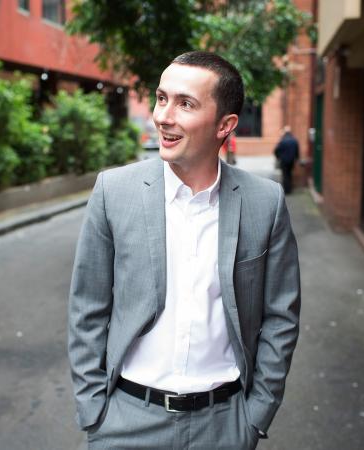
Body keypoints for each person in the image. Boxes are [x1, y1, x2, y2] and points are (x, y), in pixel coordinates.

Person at [68, 51, 301, 450]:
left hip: (224, 424)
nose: (163, 116)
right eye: (161, 98)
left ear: (225, 125)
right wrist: (95, 411)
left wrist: (257, 413)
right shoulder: (113, 191)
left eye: (185, 104)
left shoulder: (266, 202)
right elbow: (87, 307)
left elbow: (281, 315)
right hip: (125, 420)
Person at [274, 126, 300, 194]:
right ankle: (290, 189)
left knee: (285, 175)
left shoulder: (282, 140)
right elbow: (297, 151)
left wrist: (278, 157)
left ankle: (286, 190)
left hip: (284, 161)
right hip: (291, 161)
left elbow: (276, 150)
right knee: (289, 174)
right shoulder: (294, 140)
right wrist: (296, 159)